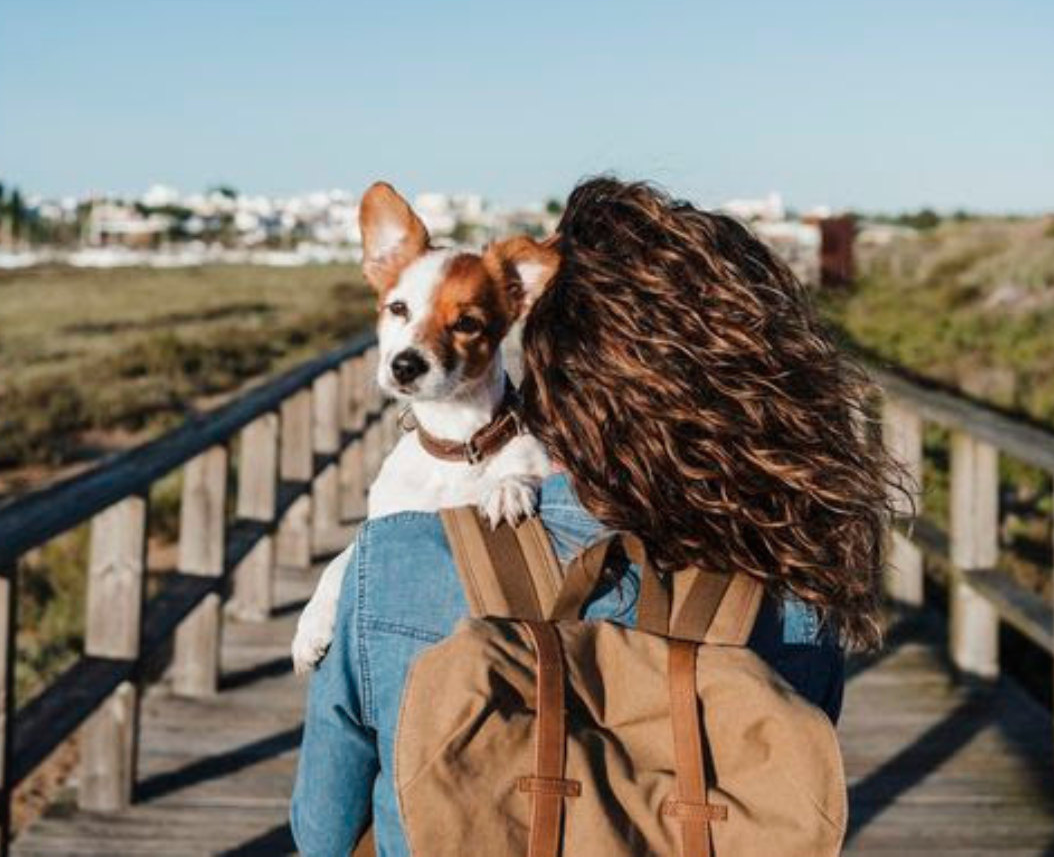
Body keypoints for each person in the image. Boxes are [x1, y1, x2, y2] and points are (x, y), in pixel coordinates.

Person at [291, 177, 897, 856]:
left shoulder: (392, 561)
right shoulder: (792, 578)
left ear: (552, 367)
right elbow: (794, 788)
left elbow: (323, 829)